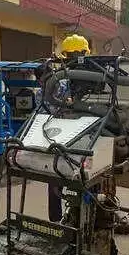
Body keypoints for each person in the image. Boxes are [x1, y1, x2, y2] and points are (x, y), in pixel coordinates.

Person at [34, 34, 91, 223]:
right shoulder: (42, 92)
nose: (47, 81)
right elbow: (45, 112)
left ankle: (80, 218)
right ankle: (57, 221)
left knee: (82, 179)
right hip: (57, 136)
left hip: (78, 133)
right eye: (44, 79)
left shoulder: (67, 81)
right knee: (56, 180)